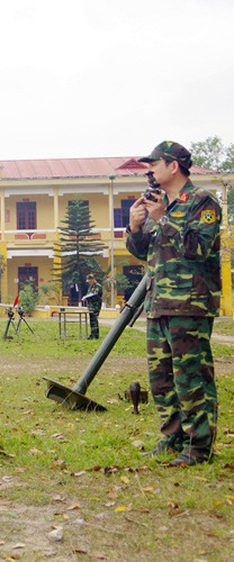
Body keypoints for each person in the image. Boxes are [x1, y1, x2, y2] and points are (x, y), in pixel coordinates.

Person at [126, 140, 221, 467]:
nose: (149, 169)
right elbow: (144, 251)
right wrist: (136, 226)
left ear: (173, 166)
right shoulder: (158, 205)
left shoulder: (201, 203)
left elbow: (198, 249)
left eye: (154, 163)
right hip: (158, 304)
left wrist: (164, 218)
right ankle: (172, 438)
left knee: (191, 378)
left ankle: (198, 446)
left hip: (189, 306)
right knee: (162, 380)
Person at [82, 273, 102, 340]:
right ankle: (92, 334)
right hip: (91, 306)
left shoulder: (97, 286)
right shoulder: (91, 287)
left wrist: (86, 297)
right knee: (91, 320)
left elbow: (94, 294)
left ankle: (95, 335)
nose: (89, 283)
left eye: (90, 281)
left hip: (95, 306)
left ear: (93, 279)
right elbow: (88, 294)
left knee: (94, 320)